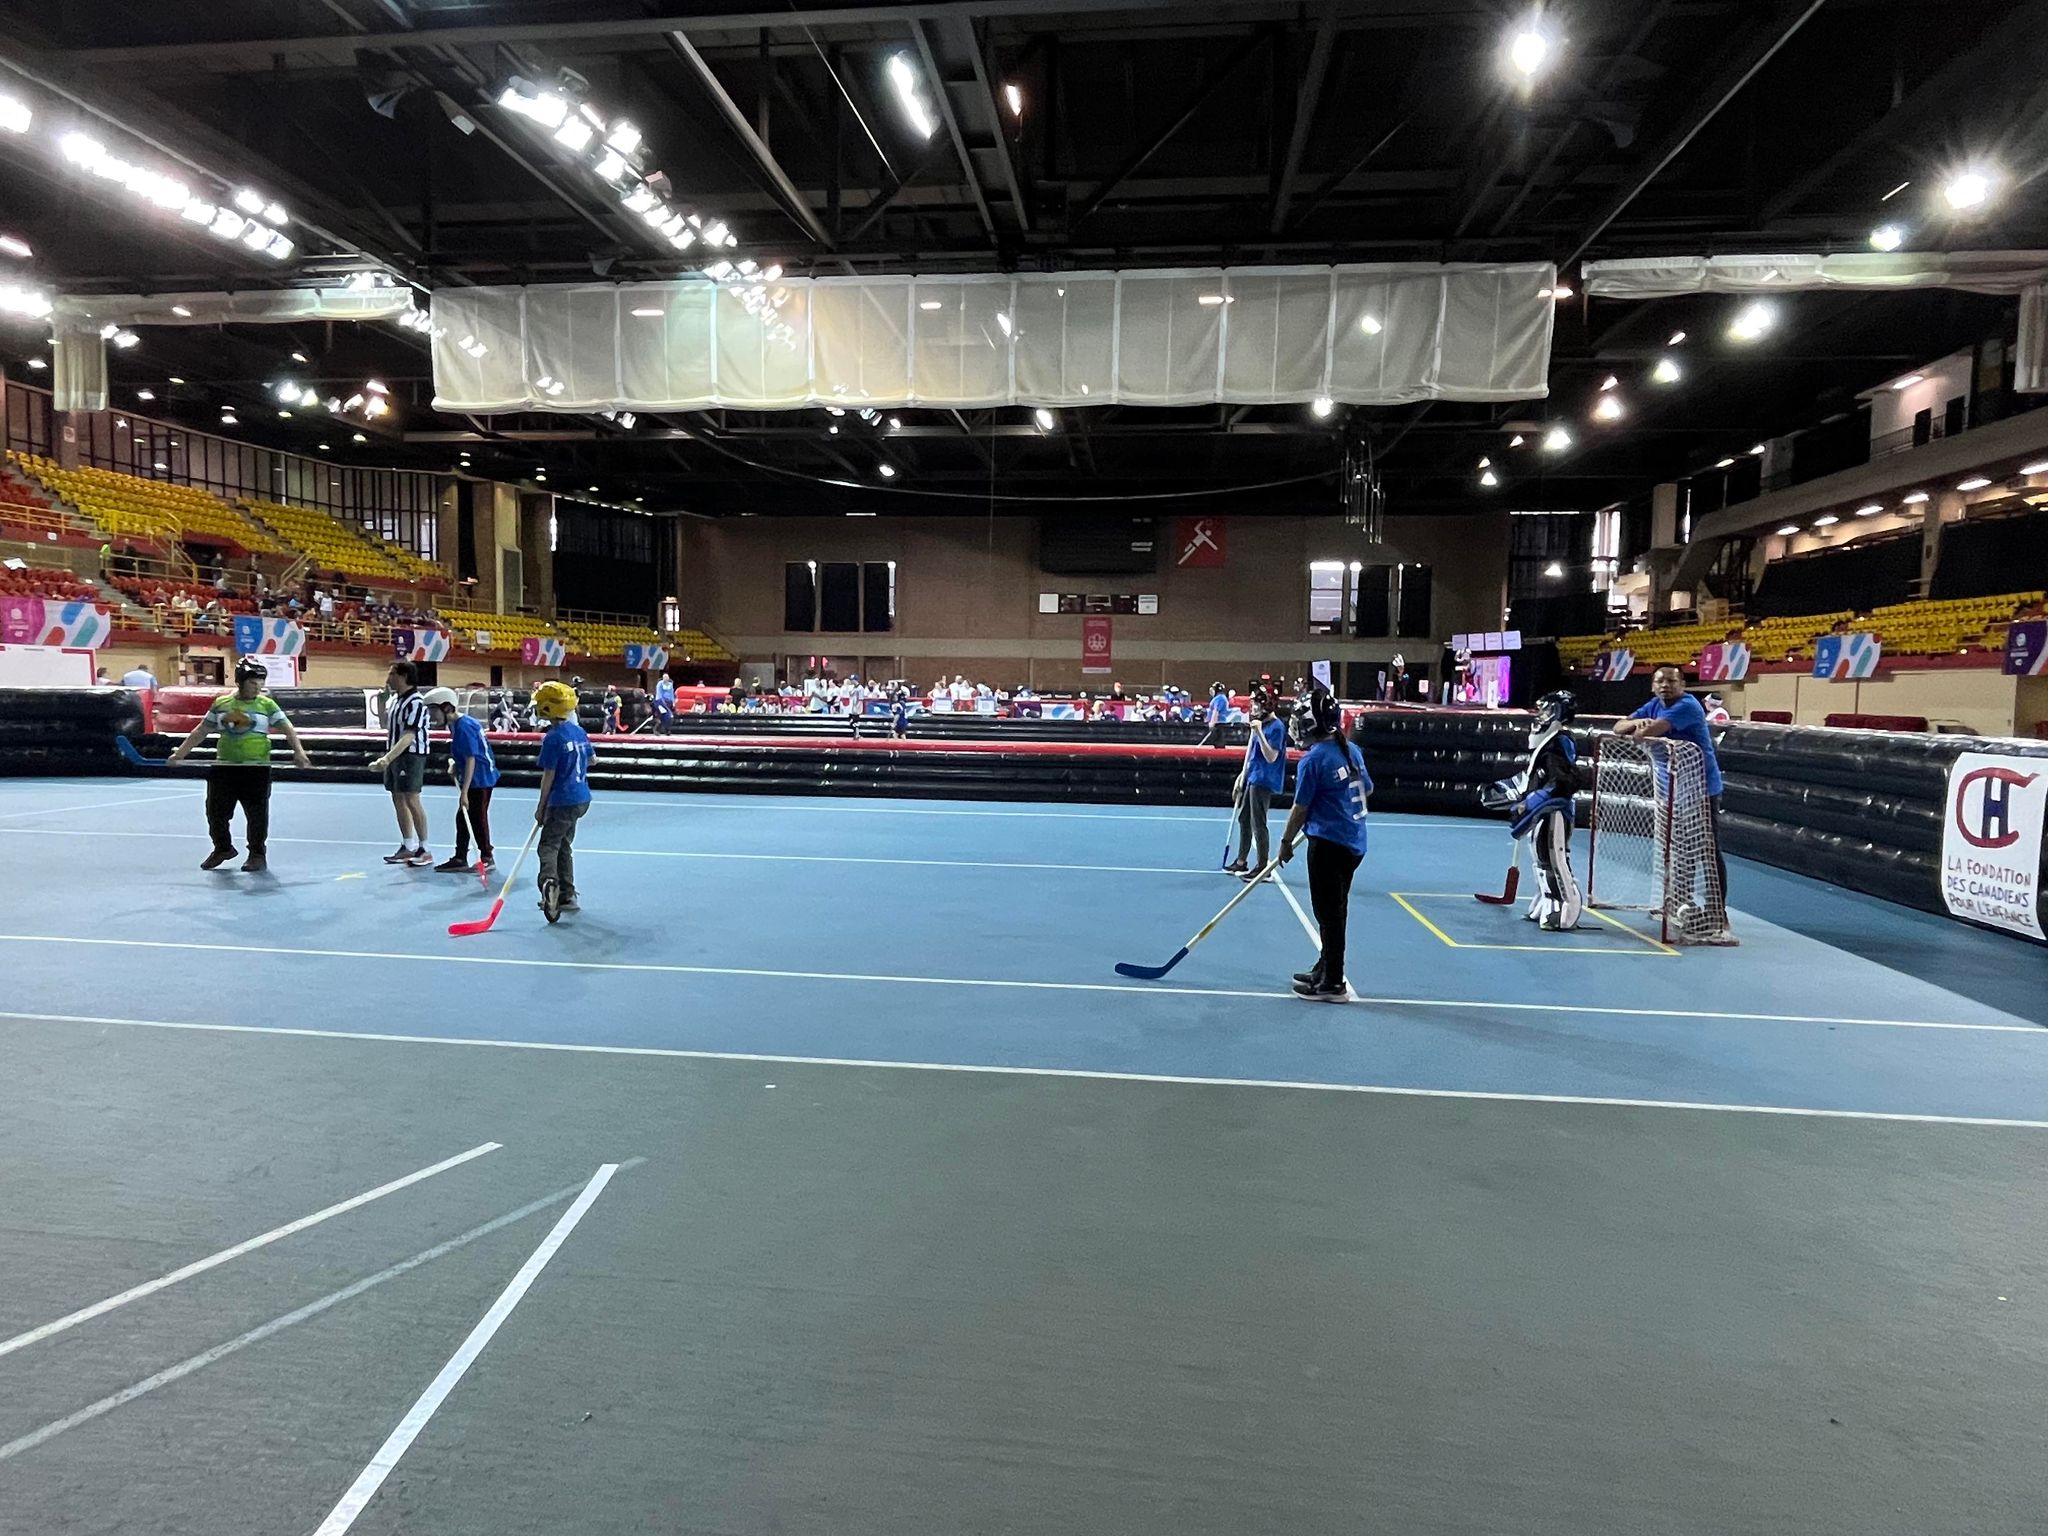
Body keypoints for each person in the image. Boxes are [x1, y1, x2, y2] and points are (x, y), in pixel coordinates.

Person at [166, 654, 312, 873]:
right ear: (240, 682)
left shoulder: (267, 705)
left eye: (260, 682)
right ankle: (222, 848)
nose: (258, 686)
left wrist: (299, 753)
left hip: (256, 769)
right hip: (225, 767)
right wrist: (180, 753)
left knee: (256, 814)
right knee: (216, 812)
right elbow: (201, 731)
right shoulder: (222, 704)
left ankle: (257, 854)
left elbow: (287, 728)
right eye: (252, 682)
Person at [1277, 685, 1370, 1003]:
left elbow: (1300, 808)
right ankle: (1325, 966)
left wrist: (1286, 841)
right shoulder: (1351, 750)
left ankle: (1332, 982)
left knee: (1329, 914)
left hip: (1329, 844)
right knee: (1334, 910)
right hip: (1353, 841)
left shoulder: (1314, 760)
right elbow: (1366, 788)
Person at [1611, 663, 1728, 905]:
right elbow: (1618, 727)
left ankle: (1717, 910)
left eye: (1672, 681)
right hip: (1673, 789)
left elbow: (1646, 733)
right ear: (1653, 686)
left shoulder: (1687, 706)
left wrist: (1641, 726)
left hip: (1701, 790)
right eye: (1660, 681)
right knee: (1681, 848)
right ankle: (1682, 902)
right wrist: (1641, 722)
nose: (1665, 685)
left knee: (1707, 850)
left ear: (1682, 685)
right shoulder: (1654, 705)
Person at [1511, 691, 1583, 931]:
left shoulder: (1560, 741)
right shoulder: (1547, 742)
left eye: (1547, 711)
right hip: (1543, 809)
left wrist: (1536, 800)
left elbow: (1562, 780)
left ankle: (1567, 903)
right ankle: (1547, 898)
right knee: (1541, 857)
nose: (1541, 715)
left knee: (1554, 857)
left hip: (1555, 810)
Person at [531, 679, 593, 922]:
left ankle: (549, 883)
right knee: (564, 844)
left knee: (547, 846)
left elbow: (549, 775)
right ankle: (568, 894)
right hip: (581, 798)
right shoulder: (579, 732)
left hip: (562, 800)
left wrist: (541, 807)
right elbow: (592, 760)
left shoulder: (553, 737)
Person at [368, 660, 434, 868]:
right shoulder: (396, 701)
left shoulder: (416, 702)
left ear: (403, 676)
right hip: (395, 754)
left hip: (410, 755)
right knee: (397, 797)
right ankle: (408, 845)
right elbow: (385, 725)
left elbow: (409, 736)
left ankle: (424, 849)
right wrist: (381, 703)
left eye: (391, 674)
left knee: (412, 798)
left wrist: (387, 758)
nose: (388, 678)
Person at [425, 688, 498, 873]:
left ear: (447, 708)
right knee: (463, 818)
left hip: (480, 779)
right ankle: (460, 857)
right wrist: (455, 765)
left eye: (433, 710)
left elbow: (471, 758)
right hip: (473, 777)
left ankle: (487, 857)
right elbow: (463, 753)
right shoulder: (454, 725)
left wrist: (464, 792)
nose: (431, 715)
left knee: (477, 818)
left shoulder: (465, 726)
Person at [1225, 689, 1289, 878]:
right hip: (1253, 775)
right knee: (1244, 818)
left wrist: (1259, 733)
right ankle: (1241, 861)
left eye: (1256, 705)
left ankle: (1262, 867)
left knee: (1258, 822)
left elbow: (1271, 757)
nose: (1253, 709)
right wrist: (1242, 776)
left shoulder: (1276, 727)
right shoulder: (1260, 725)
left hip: (1264, 779)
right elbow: (1251, 756)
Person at [1198, 680, 1231, 747]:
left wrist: (1212, 722)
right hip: (1217, 723)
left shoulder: (1220, 698)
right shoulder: (1217, 698)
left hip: (1218, 723)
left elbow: (1216, 711)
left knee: (1219, 742)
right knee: (1216, 742)